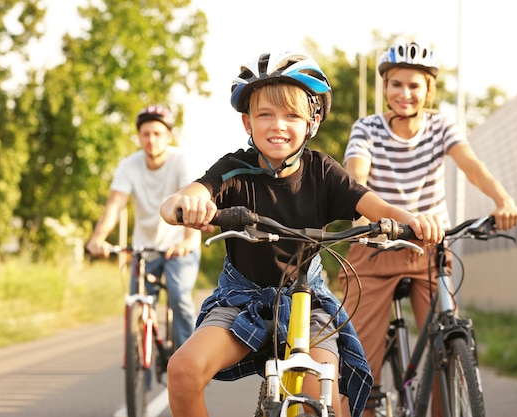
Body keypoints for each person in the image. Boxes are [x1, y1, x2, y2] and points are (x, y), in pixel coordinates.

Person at [158, 51, 445, 417]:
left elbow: (379, 208)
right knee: (182, 371)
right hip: (241, 300)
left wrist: (415, 220)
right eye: (265, 114)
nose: (278, 125)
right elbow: (185, 197)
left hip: (307, 305)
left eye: (292, 115)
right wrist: (183, 205)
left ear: (312, 121)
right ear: (247, 122)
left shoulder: (322, 172)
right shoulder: (234, 169)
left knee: (324, 396)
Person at [338, 41, 517, 417]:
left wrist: (503, 201)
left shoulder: (441, 126)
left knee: (446, 343)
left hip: (430, 250)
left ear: (428, 90)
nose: (404, 94)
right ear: (385, 87)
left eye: (414, 86)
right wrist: (361, 213)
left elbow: (470, 165)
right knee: (360, 358)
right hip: (376, 247)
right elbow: (356, 174)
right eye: (396, 84)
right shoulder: (368, 128)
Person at [86, 105, 201, 351]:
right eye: (146, 134)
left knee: (179, 297)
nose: (151, 140)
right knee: (137, 304)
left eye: (157, 134)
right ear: (139, 137)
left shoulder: (181, 161)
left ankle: (189, 363)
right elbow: (115, 206)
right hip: (144, 247)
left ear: (168, 136)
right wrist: (98, 238)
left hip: (178, 246)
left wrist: (189, 240)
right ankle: (141, 378)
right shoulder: (129, 165)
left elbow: (191, 201)